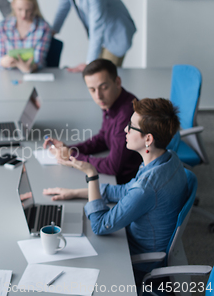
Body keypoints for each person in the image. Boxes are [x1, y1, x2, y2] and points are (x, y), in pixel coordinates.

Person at [44, 98, 188, 284]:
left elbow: (100, 225)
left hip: (135, 259)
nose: (125, 130)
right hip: (143, 240)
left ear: (148, 139)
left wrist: (91, 174)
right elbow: (125, 191)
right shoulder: (168, 159)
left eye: (131, 127)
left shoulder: (146, 188)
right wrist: (77, 192)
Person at [44, 59, 141, 184]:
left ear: (117, 82)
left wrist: (72, 155)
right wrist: (69, 149)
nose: (98, 96)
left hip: (126, 182)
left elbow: (113, 166)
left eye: (104, 87)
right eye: (92, 90)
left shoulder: (126, 115)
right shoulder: (111, 101)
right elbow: (103, 138)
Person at [44, 0, 136, 72]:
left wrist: (89, 63)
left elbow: (97, 26)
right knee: (98, 75)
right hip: (101, 35)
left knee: (104, 76)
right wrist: (52, 31)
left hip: (115, 34)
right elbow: (64, 5)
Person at [0, 0, 52, 73]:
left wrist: (29, 68)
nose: (23, 14)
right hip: (7, 73)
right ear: (13, 5)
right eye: (20, 9)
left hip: (34, 74)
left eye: (28, 10)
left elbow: (39, 60)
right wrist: (3, 62)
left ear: (33, 7)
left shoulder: (43, 27)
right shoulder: (2, 26)